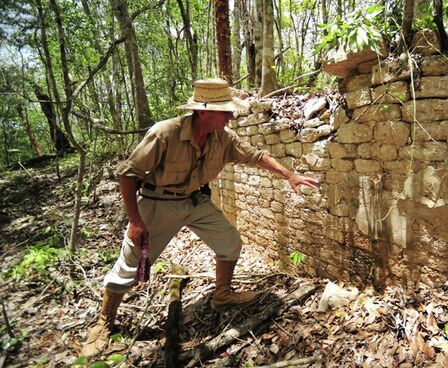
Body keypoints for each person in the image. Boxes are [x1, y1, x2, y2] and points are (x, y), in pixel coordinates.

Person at [81, 78, 319, 357]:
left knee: (230, 242)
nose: (231, 115)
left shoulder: (224, 138)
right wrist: (135, 221)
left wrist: (289, 175)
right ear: (203, 111)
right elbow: (127, 173)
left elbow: (255, 156)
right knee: (132, 264)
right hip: (157, 203)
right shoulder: (165, 133)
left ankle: (222, 295)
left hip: (195, 201)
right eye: (225, 110)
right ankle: (104, 323)